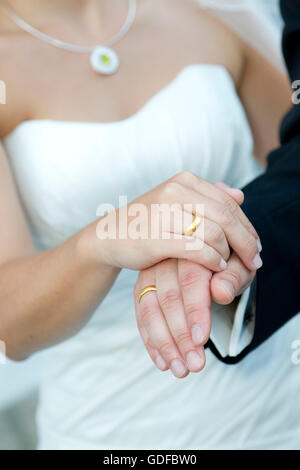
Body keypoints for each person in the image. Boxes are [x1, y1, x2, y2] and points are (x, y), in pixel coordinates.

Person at [0, 0, 298, 450]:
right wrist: (102, 242)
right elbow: (10, 325)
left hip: (280, 391)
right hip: (118, 429)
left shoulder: (206, 11)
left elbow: (294, 178)